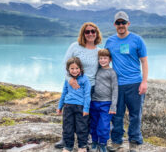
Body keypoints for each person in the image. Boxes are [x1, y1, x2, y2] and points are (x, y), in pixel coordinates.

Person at [105, 11, 148, 152]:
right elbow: (104, 61)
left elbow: (144, 62)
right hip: (116, 85)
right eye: (118, 23)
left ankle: (134, 141)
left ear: (128, 24)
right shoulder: (110, 41)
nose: (121, 25)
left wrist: (144, 81)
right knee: (116, 115)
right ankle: (117, 141)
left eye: (123, 22)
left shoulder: (137, 40)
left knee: (135, 114)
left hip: (135, 83)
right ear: (114, 25)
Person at [55, 22, 103, 149]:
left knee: (85, 116)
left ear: (96, 33)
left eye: (93, 31)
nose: (90, 34)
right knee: (68, 116)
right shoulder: (75, 47)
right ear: (83, 33)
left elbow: (101, 70)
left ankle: (85, 140)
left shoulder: (99, 51)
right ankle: (65, 139)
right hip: (73, 85)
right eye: (87, 31)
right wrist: (69, 79)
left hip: (90, 87)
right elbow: (65, 65)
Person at [57, 57, 91, 152]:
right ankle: (68, 146)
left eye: (77, 68)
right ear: (68, 69)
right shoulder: (68, 80)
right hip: (68, 106)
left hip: (81, 107)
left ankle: (82, 146)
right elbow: (64, 93)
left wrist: (86, 109)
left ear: (80, 68)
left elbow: (87, 95)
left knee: (82, 127)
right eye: (72, 68)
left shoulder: (85, 79)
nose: (74, 71)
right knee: (67, 127)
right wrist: (60, 106)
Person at [90, 49, 118, 152]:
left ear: (110, 59)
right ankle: (94, 142)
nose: (102, 60)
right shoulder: (96, 70)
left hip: (106, 103)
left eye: (105, 58)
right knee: (93, 123)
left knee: (104, 125)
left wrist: (113, 105)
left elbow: (115, 89)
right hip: (94, 102)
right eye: (100, 58)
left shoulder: (112, 73)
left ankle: (102, 143)